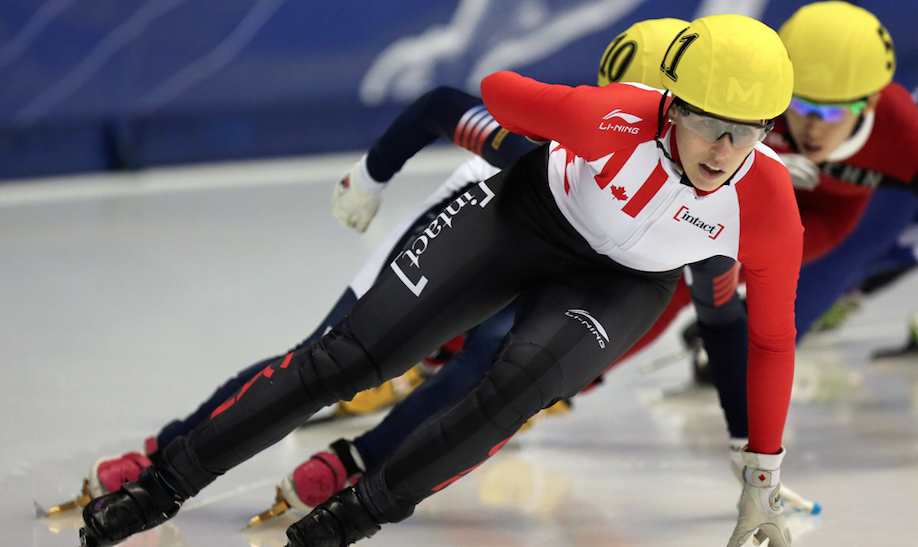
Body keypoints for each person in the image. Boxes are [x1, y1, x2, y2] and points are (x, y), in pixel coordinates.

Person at [78, 14, 801, 547]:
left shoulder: (767, 208)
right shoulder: (612, 116)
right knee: (349, 360)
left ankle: (352, 519)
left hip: (618, 285)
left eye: (749, 132)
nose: (725, 150)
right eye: (709, 124)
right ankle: (163, 484)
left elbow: (770, 339)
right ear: (671, 106)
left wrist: (762, 467)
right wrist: (553, 122)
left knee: (511, 390)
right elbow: (490, 90)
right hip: (526, 215)